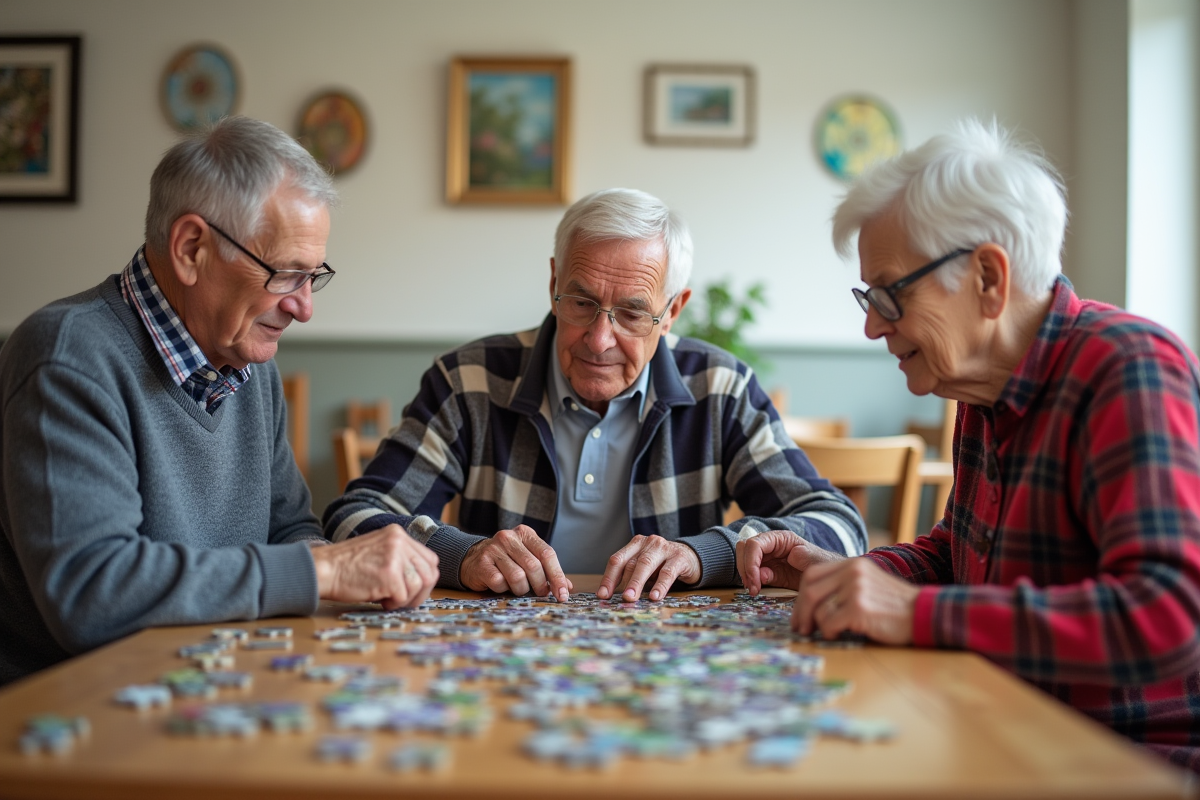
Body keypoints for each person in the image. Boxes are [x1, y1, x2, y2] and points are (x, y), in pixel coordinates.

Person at [737, 119, 1200, 772]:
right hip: (1001, 726)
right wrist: (848, 575)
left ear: (987, 277)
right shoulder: (980, 390)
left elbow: (1169, 614)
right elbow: (956, 555)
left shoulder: (1128, 367)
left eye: (889, 294)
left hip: (1125, 761)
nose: (871, 327)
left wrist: (915, 614)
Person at [0, 116, 438, 686]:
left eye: (315, 276)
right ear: (191, 248)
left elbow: (288, 528)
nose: (305, 308)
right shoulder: (66, 357)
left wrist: (348, 574)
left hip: (219, 686)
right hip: (74, 712)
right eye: (287, 274)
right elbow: (92, 591)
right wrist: (321, 569)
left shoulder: (250, 365)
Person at [325, 188, 865, 602]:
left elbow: (839, 528)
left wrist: (706, 555)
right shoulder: (468, 380)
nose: (599, 339)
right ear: (553, 284)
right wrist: (460, 556)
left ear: (672, 311)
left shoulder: (721, 388)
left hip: (669, 663)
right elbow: (353, 520)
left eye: (632, 313)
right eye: (581, 303)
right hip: (503, 657)